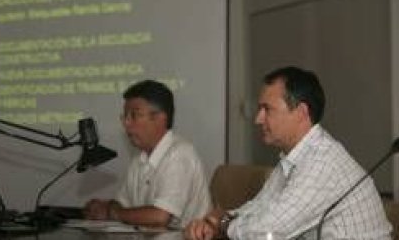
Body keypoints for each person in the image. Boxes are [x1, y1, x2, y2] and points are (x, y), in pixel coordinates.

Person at [186, 66, 392, 239]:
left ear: (301, 113)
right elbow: (260, 208)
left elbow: (267, 232)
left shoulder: (322, 161)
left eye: (268, 109)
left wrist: (222, 222)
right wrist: (215, 222)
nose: (258, 119)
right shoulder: (295, 157)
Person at [84, 80, 211, 229]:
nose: (126, 123)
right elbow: (123, 204)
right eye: (124, 117)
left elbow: (160, 217)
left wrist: (114, 212)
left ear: (160, 119)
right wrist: (106, 208)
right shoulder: (139, 159)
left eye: (134, 116)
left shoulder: (180, 154)